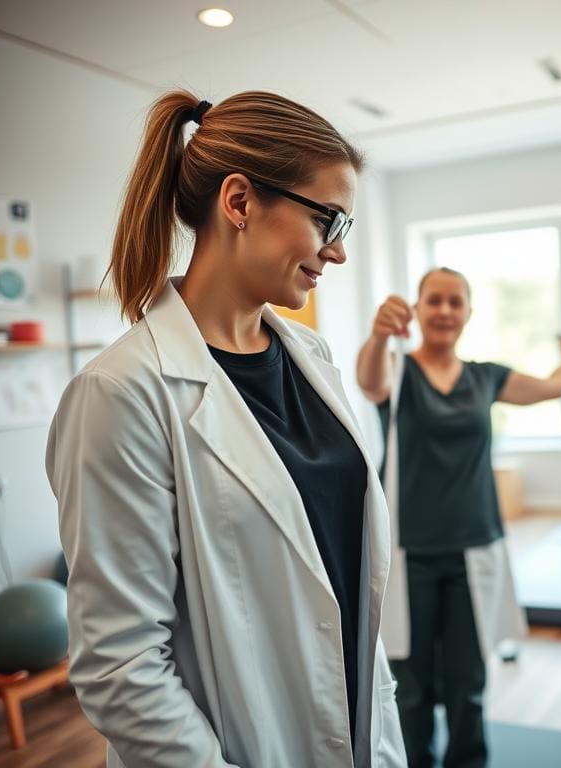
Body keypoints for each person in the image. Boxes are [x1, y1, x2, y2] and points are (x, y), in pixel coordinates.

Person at [45, 90, 406, 768]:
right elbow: (120, 665)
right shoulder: (121, 393)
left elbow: (344, 588)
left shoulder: (314, 361)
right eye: (327, 220)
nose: (337, 252)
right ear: (239, 202)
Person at [355, 267, 561, 768]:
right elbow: (369, 382)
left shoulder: (486, 377)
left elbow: (553, 386)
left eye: (454, 302)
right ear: (417, 309)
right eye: (434, 300)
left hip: (474, 546)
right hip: (408, 553)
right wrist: (378, 336)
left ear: (468, 313)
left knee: (468, 681)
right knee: (410, 685)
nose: (444, 310)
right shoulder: (397, 369)